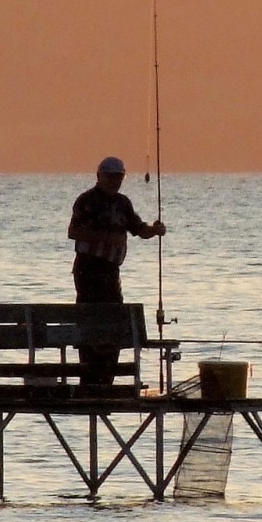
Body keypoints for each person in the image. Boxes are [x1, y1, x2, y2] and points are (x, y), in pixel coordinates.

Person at [67, 156, 166, 386]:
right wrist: (108, 238)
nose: (115, 181)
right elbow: (73, 232)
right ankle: (90, 376)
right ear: (99, 176)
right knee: (91, 319)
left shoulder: (123, 203)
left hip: (111, 271)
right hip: (88, 270)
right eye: (110, 176)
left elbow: (138, 229)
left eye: (119, 177)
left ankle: (107, 376)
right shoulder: (86, 201)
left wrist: (155, 230)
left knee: (114, 319)